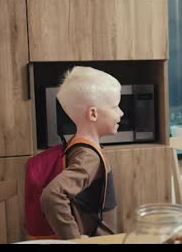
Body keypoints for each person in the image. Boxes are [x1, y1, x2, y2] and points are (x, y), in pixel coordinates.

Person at [40, 66, 123, 239]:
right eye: (115, 107)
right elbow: (52, 195)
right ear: (93, 114)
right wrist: (74, 239)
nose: (121, 113)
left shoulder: (78, 146)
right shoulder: (89, 157)